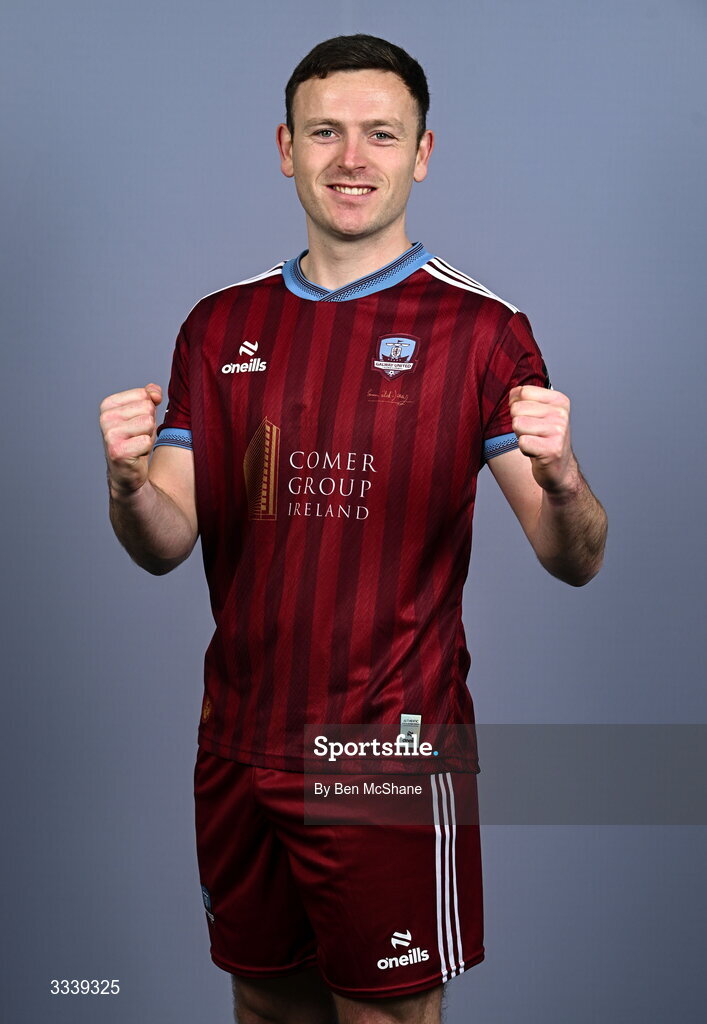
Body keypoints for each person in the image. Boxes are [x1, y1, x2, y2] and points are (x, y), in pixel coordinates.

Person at [99, 34, 607, 1024]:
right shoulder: (219, 326)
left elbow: (573, 556)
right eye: (325, 132)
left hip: (383, 755)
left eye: (380, 133)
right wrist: (126, 486)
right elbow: (165, 540)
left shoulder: (481, 330)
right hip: (237, 744)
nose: (351, 158)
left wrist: (563, 479)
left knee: (385, 1015)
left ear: (421, 153)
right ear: (285, 147)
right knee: (264, 1005)